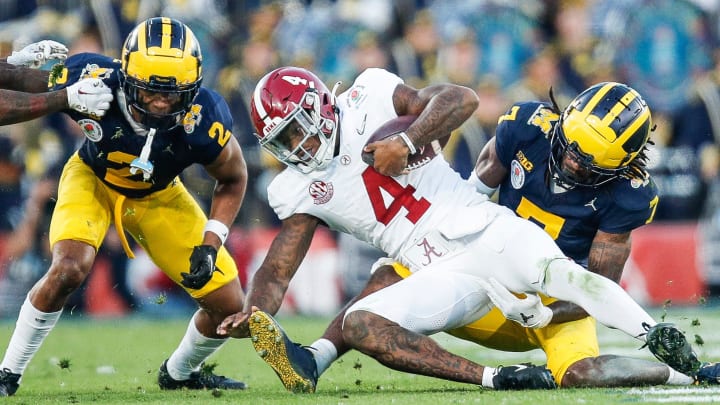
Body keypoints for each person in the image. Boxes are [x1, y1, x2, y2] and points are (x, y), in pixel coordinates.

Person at [216, 66, 704, 392]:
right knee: (366, 313)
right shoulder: (528, 127)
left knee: (576, 354)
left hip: (526, 272)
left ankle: (687, 372)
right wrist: (256, 313)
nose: (571, 160)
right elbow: (281, 260)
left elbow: (593, 282)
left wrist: (547, 314)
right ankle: (498, 378)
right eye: (285, 139)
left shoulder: (627, 196)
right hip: (452, 270)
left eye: (588, 159)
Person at [0, 17, 249, 397]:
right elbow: (9, 94)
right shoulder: (92, 77)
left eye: (174, 93)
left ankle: (180, 373)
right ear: (128, 76)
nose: (162, 102)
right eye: (151, 91)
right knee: (69, 267)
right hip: (93, 179)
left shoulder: (205, 118)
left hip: (160, 195)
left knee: (230, 305)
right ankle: (7, 373)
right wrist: (46, 88)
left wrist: (212, 241)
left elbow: (233, 178)